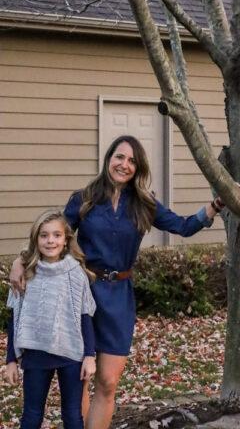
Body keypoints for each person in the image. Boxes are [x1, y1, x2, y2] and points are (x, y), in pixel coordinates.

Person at [10, 135, 223, 429]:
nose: (124, 164)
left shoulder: (145, 203)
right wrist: (20, 260)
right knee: (80, 380)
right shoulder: (83, 198)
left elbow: (183, 226)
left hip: (119, 297)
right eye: (119, 157)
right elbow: (53, 234)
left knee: (108, 382)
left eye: (132, 160)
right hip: (82, 293)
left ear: (138, 167)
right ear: (109, 158)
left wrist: (215, 205)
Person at [5, 209, 96, 429]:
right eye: (44, 235)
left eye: (56, 235)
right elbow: (14, 317)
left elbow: (85, 315)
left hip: (71, 353)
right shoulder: (25, 273)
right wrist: (10, 361)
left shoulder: (75, 274)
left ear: (66, 240)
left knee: (73, 416)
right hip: (35, 353)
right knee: (32, 416)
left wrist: (89, 355)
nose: (50, 241)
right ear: (35, 240)